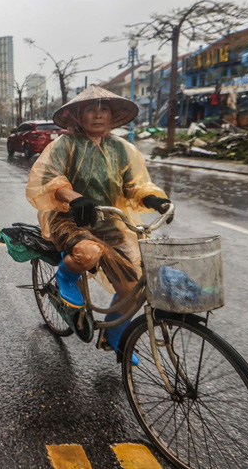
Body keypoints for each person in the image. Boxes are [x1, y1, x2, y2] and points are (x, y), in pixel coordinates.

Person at [25, 85, 172, 355]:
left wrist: (152, 198)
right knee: (88, 252)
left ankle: (111, 338)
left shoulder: (121, 149)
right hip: (69, 219)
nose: (98, 114)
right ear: (77, 115)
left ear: (112, 115)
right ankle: (66, 277)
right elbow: (50, 181)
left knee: (133, 289)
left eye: (104, 109)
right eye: (91, 109)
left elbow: (134, 184)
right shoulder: (64, 145)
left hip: (109, 222)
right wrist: (74, 198)